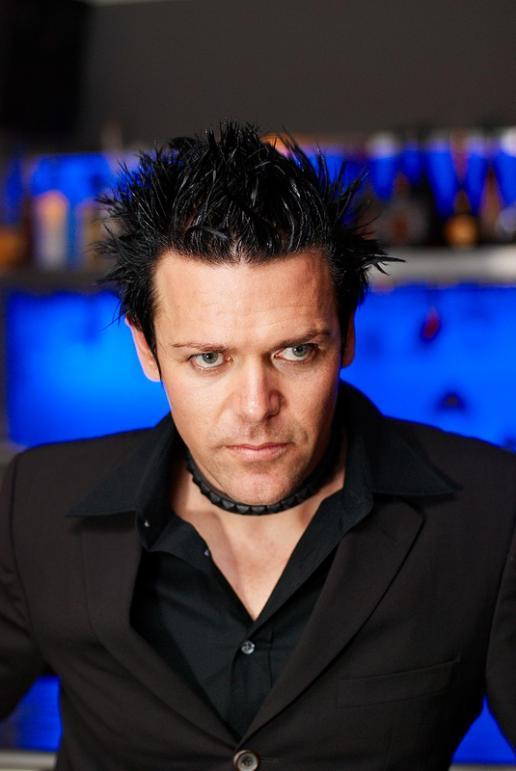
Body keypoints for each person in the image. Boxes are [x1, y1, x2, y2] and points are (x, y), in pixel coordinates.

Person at [0, 123, 515, 771]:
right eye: (208, 358)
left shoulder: (490, 511)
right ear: (146, 349)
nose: (255, 406)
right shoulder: (35, 505)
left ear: (346, 335)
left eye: (296, 351)